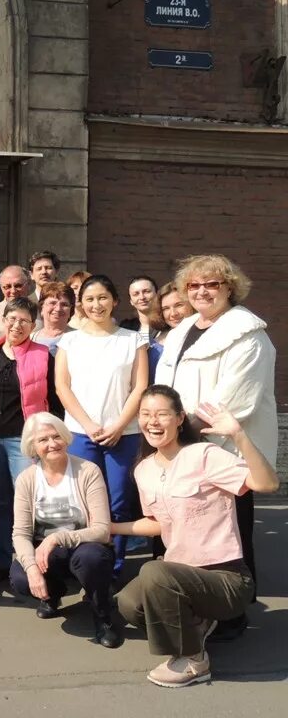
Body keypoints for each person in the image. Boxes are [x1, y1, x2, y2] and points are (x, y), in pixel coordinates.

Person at [113, 386, 279, 687]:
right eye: (146, 415)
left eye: (162, 414)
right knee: (129, 604)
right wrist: (108, 528)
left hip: (225, 578)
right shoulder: (144, 470)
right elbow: (156, 523)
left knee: (154, 572)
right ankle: (197, 622)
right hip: (182, 575)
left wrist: (238, 435)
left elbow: (267, 484)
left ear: (179, 419)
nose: (153, 421)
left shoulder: (204, 455)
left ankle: (194, 659)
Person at [154, 254, 276, 640]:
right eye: (194, 285)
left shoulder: (249, 335)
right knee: (193, 534)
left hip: (223, 454)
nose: (202, 292)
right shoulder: (183, 329)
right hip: (180, 446)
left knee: (229, 535)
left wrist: (177, 437)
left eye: (212, 284)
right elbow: (164, 384)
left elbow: (233, 402)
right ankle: (199, 603)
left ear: (230, 288)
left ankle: (233, 613)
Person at [55, 274, 148, 579]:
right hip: (82, 434)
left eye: (103, 298)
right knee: (83, 502)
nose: (97, 304)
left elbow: (140, 386)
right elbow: (62, 387)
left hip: (125, 434)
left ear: (115, 301)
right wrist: (89, 424)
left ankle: (115, 568)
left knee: (119, 502)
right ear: (80, 304)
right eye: (90, 299)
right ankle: (85, 565)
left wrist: (119, 425)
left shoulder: (133, 340)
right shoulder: (70, 340)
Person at [0, 297, 62, 587]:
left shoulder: (43, 355)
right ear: (3, 320)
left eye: (24, 321)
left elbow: (54, 402)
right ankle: (1, 562)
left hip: (22, 440)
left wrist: (46, 436)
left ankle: (29, 564)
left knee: (27, 503)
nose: (17, 325)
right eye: (12, 319)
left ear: (33, 326)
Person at [9, 412, 121, 648]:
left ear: (65, 437)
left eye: (56, 436)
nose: (52, 444)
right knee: (20, 578)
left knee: (93, 558)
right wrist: (31, 569)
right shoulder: (26, 480)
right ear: (32, 446)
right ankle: (53, 594)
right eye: (43, 440)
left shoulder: (87, 471)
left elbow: (102, 529)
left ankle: (102, 617)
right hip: (47, 554)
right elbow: (20, 533)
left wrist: (58, 538)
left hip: (84, 546)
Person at [31, 281, 75, 355]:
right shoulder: (30, 339)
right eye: (52, 303)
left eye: (64, 304)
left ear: (71, 310)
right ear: (42, 308)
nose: (58, 309)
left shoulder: (79, 338)